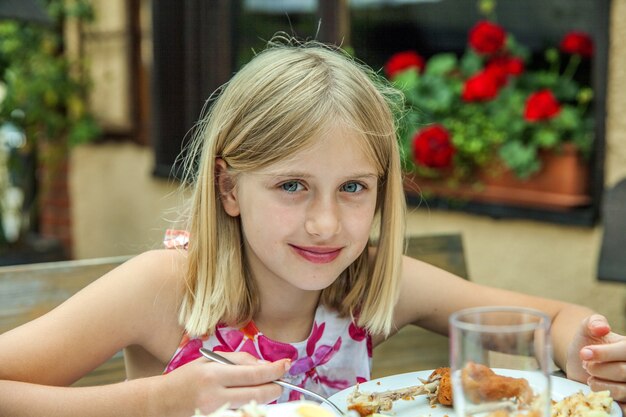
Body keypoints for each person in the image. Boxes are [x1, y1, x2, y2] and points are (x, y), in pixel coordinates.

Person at [0, 36, 624, 417]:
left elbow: (560, 322)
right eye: (291, 186)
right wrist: (153, 404)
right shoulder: (165, 288)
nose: (326, 224)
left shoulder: (377, 283)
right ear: (229, 189)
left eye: (353, 188)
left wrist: (587, 354)